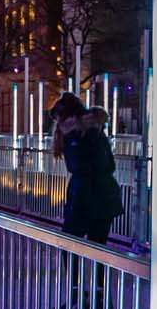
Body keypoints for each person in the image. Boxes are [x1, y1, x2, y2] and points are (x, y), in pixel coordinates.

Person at [50, 94, 126, 247]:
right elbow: (110, 164)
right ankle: (96, 271)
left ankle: (75, 272)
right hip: (105, 195)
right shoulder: (96, 131)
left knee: (69, 243)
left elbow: (78, 166)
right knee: (98, 245)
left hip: (85, 196)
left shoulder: (74, 136)